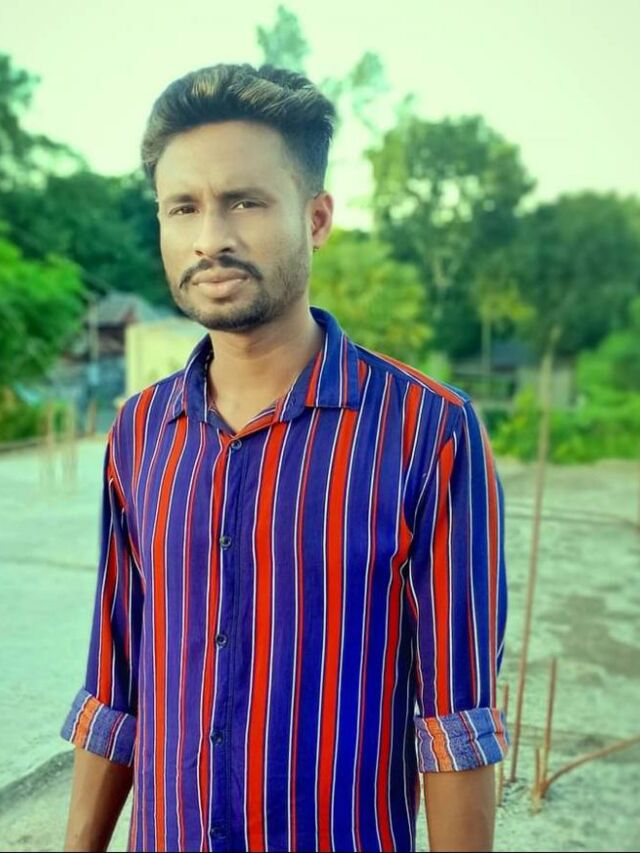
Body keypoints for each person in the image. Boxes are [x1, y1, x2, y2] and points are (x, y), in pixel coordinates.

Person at [60, 62, 509, 853]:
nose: (210, 238)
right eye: (183, 207)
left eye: (245, 201)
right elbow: (115, 688)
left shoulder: (426, 430)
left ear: (318, 216)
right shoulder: (138, 432)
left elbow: (455, 721)